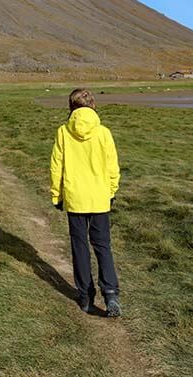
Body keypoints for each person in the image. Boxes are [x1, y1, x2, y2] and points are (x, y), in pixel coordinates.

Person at [49, 88, 122, 317]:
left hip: (75, 198)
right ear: (93, 105)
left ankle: (85, 296)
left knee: (79, 246)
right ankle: (110, 294)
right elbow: (112, 167)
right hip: (100, 198)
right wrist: (111, 191)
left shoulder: (63, 132)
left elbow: (56, 167)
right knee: (103, 246)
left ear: (71, 107)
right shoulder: (104, 133)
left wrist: (56, 196)